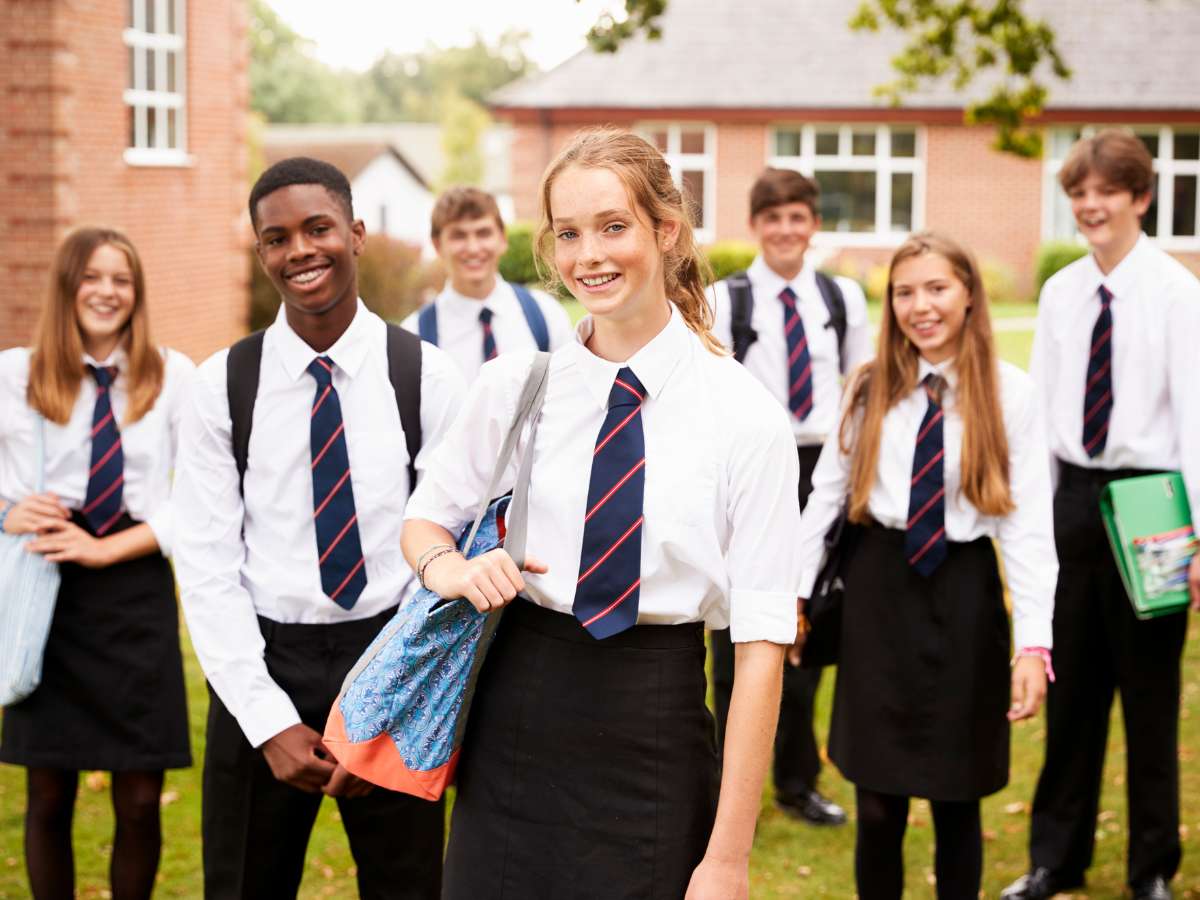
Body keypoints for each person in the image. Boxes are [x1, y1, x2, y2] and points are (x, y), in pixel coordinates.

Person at [402, 127, 800, 900]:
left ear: (666, 230)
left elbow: (758, 649)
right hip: (520, 710)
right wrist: (450, 568)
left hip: (655, 722)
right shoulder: (516, 386)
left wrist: (728, 859)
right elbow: (425, 520)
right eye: (569, 233)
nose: (590, 255)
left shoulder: (744, 415)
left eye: (614, 227)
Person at [172, 157, 465, 899]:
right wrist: (268, 722)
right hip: (263, 661)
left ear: (356, 234)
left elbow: (454, 546)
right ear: (261, 252)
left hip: (394, 655)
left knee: (409, 886)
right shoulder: (222, 387)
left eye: (317, 228)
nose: (299, 250)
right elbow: (207, 569)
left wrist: (390, 699)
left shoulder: (425, 376)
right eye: (276, 238)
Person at [795, 232, 1057, 898]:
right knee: (877, 805)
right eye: (905, 292)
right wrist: (793, 597)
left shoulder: (1012, 394)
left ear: (968, 294)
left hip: (963, 595)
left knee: (955, 798)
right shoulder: (868, 387)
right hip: (878, 598)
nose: (921, 306)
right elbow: (825, 499)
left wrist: (1034, 644)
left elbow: (1028, 530)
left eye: (937, 288)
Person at [1002, 130, 1200, 900]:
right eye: (1078, 193)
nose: (1089, 206)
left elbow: (1194, 419)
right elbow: (1047, 411)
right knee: (1073, 693)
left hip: (1152, 500)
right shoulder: (1061, 293)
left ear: (1140, 199)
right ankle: (1056, 858)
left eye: (1104, 192)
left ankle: (1151, 869)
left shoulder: (1178, 292)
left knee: (1150, 699)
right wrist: (1036, 523)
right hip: (1074, 499)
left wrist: (1194, 536)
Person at [0, 226, 193, 899]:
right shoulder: (15, 374)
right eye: (93, 277)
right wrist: (4, 512)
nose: (108, 292)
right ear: (67, 286)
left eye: (122, 279)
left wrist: (109, 546)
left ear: (136, 294)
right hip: (47, 588)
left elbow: (200, 494)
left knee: (140, 799)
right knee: (49, 793)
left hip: (133, 586)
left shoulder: (171, 376)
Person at [709, 167, 871, 826]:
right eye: (772, 218)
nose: (784, 230)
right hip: (749, 468)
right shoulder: (726, 299)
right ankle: (724, 785)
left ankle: (797, 781)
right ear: (756, 225)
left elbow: (861, 389)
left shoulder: (843, 298)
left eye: (796, 217)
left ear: (813, 224)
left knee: (805, 629)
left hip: (822, 470)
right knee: (735, 628)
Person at [402, 185, 573, 381]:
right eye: (459, 236)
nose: (473, 248)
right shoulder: (414, 336)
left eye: (483, 233)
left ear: (502, 238)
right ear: (438, 245)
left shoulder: (545, 314)